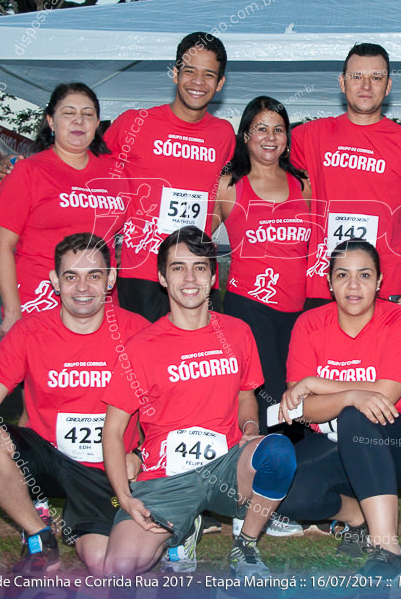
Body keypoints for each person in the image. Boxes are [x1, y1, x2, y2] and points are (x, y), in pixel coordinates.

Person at [0, 233, 148, 575]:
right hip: (51, 460)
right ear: (54, 282)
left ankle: (172, 526)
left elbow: (167, 406)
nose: (83, 287)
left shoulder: (139, 333)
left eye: (94, 275)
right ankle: (39, 536)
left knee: (106, 565)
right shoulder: (28, 333)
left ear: (111, 279)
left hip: (113, 469)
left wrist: (142, 454)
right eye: (71, 276)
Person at [101, 227, 296, 578]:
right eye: (178, 268)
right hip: (166, 477)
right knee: (119, 566)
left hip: (227, 465)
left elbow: (245, 395)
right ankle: (183, 529)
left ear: (213, 275)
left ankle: (246, 547)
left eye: (200, 267)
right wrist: (125, 498)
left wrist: (250, 429)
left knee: (278, 452)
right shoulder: (140, 346)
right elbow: (112, 431)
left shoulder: (237, 332)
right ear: (162, 277)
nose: (190, 278)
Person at [276, 240, 401, 581]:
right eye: (343, 275)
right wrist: (347, 394)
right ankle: (357, 516)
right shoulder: (308, 324)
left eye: (364, 275)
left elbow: (385, 396)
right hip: (336, 440)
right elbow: (303, 409)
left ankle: (389, 551)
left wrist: (319, 383)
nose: (353, 286)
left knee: (357, 414)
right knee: (282, 487)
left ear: (380, 282)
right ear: (330, 282)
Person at [289, 43, 401, 321]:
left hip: (388, 288)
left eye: (376, 78)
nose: (366, 85)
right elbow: (260, 159)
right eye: (357, 77)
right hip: (324, 285)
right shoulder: (311, 136)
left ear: (388, 85)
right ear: (342, 83)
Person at [104, 32, 235, 321]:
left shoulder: (224, 134)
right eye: (189, 71)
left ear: (220, 83)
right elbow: (86, 169)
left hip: (197, 273)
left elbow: (232, 192)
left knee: (197, 362)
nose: (198, 82)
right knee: (140, 360)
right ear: (175, 74)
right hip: (143, 273)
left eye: (208, 74)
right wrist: (31, 160)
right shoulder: (133, 124)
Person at [0, 84, 129, 336]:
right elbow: (1, 246)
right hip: (40, 302)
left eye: (88, 114)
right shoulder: (27, 171)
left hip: (100, 305)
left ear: (97, 123)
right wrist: (12, 311)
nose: (79, 120)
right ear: (51, 121)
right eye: (68, 112)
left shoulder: (115, 173)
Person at [213, 96, 311, 435]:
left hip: (297, 310)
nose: (270, 137)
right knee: (266, 400)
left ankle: (297, 472)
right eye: (261, 129)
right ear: (245, 135)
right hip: (250, 308)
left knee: (298, 398)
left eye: (278, 130)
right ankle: (263, 470)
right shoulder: (229, 184)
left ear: (287, 138)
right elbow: (198, 239)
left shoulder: (303, 183)